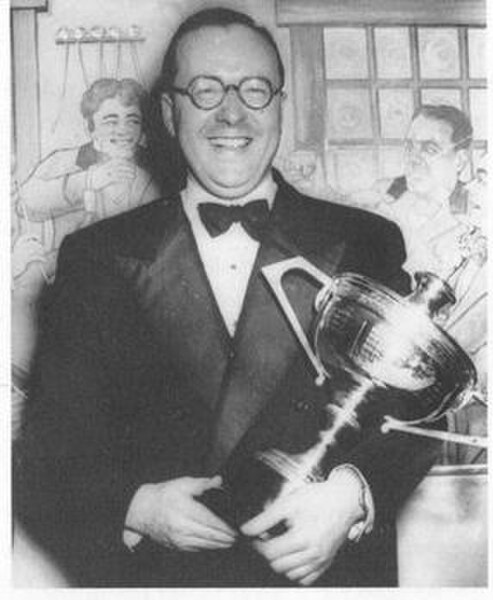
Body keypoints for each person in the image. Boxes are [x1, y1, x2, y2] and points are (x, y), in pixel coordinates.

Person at [15, 8, 443, 588]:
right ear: (169, 112)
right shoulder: (93, 257)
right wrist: (134, 505)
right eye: (206, 89)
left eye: (255, 90)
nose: (232, 113)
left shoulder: (368, 240)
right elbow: (48, 445)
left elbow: (414, 417)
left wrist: (350, 494)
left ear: (281, 108)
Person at [352, 105, 487, 464]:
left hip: (433, 414)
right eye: (409, 147)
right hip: (359, 390)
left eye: (429, 149)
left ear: (460, 161)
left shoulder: (475, 235)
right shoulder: (374, 212)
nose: (413, 158)